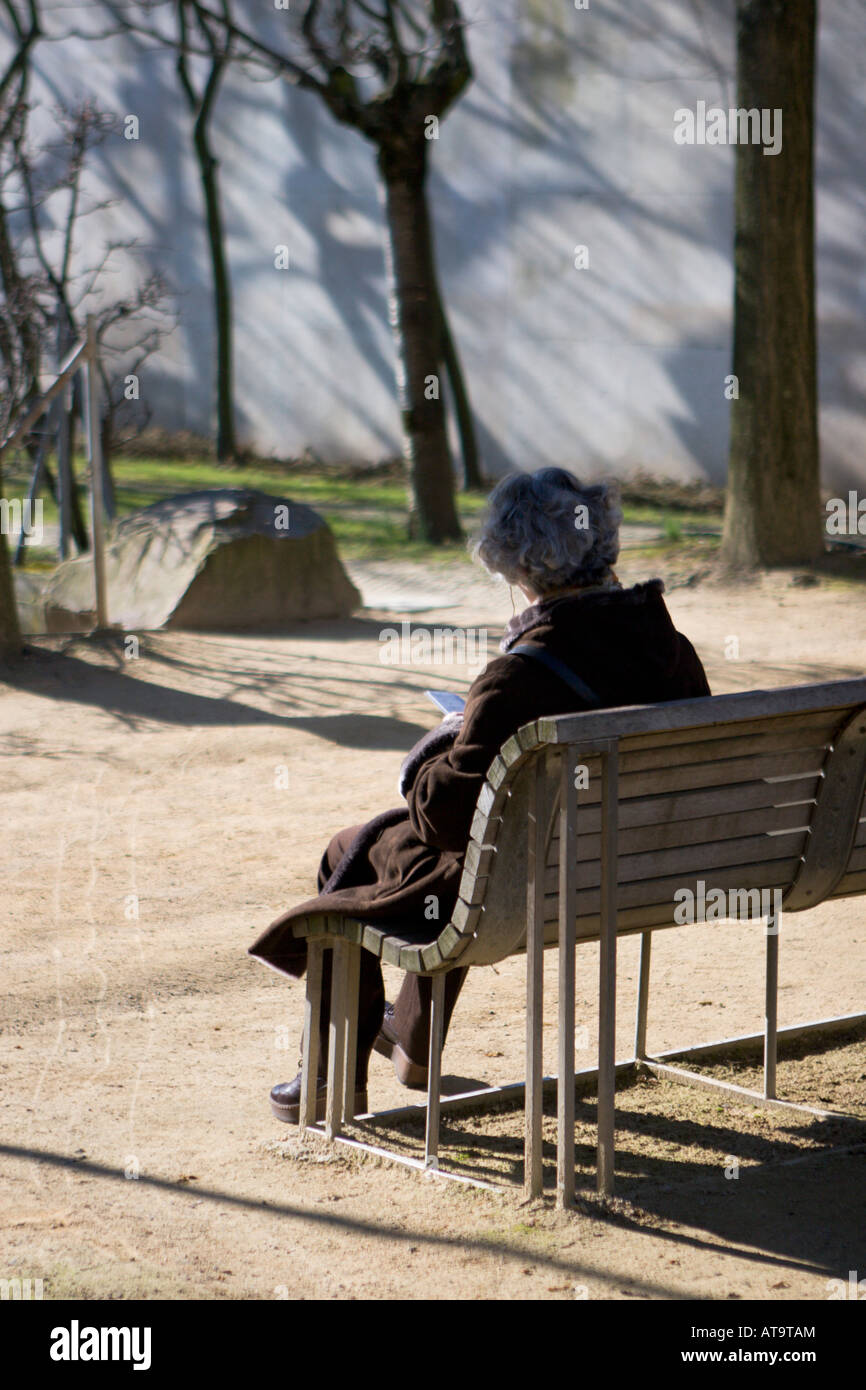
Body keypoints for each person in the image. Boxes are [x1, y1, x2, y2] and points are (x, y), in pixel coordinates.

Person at [249, 467, 711, 1121]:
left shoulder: (518, 676)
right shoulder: (672, 650)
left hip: (530, 883)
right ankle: (409, 1038)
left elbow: (441, 817)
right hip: (643, 871)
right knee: (475, 856)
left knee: (353, 851)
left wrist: (443, 741)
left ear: (519, 570)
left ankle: (329, 1082)